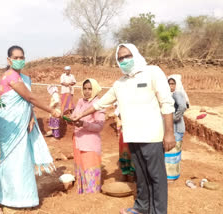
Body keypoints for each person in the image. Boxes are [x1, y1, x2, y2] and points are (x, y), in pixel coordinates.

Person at [72, 43, 175, 214]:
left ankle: (158, 211)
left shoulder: (152, 72)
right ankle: (142, 207)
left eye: (127, 56)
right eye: (120, 58)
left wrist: (169, 133)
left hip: (152, 136)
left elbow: (166, 102)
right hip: (132, 136)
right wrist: (80, 115)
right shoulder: (120, 83)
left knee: (156, 176)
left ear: (135, 54)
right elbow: (100, 103)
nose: (124, 60)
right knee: (141, 175)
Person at [0, 45, 59, 214]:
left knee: (22, 159)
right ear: (9, 60)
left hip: (23, 122)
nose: (20, 60)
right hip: (9, 124)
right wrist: (51, 110)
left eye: (22, 57)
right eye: (16, 57)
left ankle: (22, 198)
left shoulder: (24, 78)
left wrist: (30, 117)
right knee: (8, 160)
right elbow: (29, 97)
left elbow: (27, 103)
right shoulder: (9, 76)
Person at [70, 79, 105, 194]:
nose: (87, 91)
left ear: (95, 89)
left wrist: (84, 124)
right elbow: (74, 115)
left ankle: (91, 197)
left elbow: (99, 126)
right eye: (85, 88)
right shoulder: (80, 101)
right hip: (78, 141)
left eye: (90, 89)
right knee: (80, 168)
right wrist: (70, 120)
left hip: (90, 143)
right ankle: (82, 194)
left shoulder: (99, 104)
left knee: (90, 170)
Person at [165, 77, 187, 181]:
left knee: (172, 152)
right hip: (174, 128)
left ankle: (171, 176)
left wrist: (174, 117)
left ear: (176, 85)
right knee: (173, 152)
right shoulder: (171, 95)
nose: (171, 86)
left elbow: (182, 106)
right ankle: (171, 174)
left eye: (173, 84)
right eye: (169, 84)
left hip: (176, 128)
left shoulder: (177, 94)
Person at [114, 104, 135, 182]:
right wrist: (120, 122)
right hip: (125, 132)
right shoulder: (122, 102)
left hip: (135, 132)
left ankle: (133, 173)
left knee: (134, 153)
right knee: (124, 152)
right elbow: (115, 115)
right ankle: (125, 173)